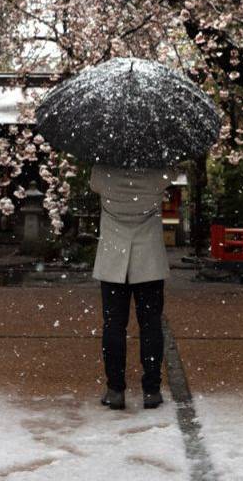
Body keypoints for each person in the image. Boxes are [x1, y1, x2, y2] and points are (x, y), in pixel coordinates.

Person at [90, 164, 173, 411]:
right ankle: (152, 389)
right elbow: (172, 174)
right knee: (150, 325)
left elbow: (93, 184)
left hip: (113, 259)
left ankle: (115, 388)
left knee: (113, 325)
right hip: (149, 260)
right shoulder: (157, 174)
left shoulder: (103, 173)